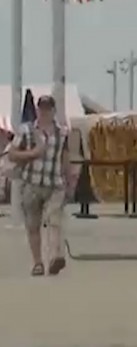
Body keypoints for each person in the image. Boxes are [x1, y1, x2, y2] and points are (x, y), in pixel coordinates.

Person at [8, 95, 74, 276]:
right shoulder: (26, 130)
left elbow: (65, 158)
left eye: (48, 109)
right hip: (32, 183)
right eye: (42, 108)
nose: (44, 112)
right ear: (37, 110)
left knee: (54, 220)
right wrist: (33, 153)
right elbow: (12, 154)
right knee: (33, 225)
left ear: (53, 111)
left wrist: (70, 181)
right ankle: (38, 262)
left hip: (55, 184)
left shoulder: (62, 133)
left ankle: (55, 257)